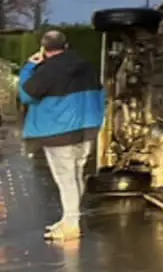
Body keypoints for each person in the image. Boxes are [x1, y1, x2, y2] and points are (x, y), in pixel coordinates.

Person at [18, 30, 105, 241]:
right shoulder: (87, 65)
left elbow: (26, 95)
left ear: (44, 49)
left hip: (59, 131)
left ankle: (71, 225)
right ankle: (69, 218)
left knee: (66, 178)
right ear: (66, 46)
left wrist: (30, 67)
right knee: (76, 173)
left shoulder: (47, 70)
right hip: (87, 128)